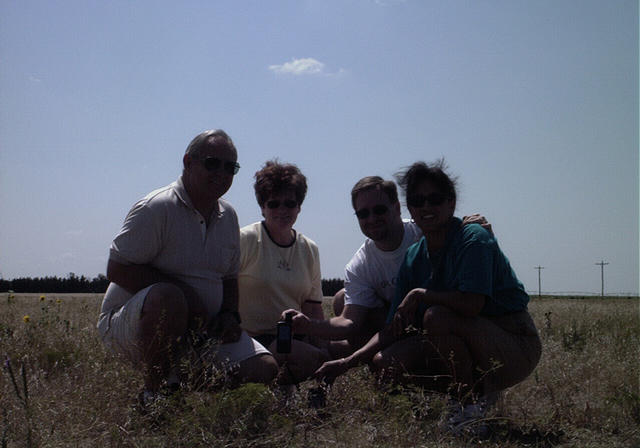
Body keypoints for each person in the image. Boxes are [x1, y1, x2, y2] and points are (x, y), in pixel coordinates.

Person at [315, 160, 541, 434]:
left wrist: (422, 294)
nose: (426, 207)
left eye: (434, 199)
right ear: (409, 207)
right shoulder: (414, 255)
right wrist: (347, 362)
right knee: (384, 362)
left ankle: (469, 407)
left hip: (513, 343)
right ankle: (468, 393)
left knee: (436, 316)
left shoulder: (473, 237)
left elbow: (472, 305)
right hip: (464, 339)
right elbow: (391, 329)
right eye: (418, 201)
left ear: (451, 203)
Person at [97, 130, 278, 402]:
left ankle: (183, 385)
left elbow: (229, 277)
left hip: (203, 330)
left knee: (265, 369)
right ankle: (153, 395)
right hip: (130, 325)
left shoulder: (228, 216)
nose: (221, 172)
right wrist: (186, 297)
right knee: (169, 298)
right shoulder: (156, 208)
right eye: (212, 163)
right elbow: (117, 269)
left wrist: (229, 315)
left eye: (230, 167)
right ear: (188, 162)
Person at [283, 176, 489, 358]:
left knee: (435, 317)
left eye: (379, 210)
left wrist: (472, 224)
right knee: (341, 300)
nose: (371, 219)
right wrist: (307, 325)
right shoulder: (360, 264)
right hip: (401, 326)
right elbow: (349, 322)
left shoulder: (424, 232)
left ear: (397, 208)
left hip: (444, 319)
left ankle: (472, 383)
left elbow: (459, 237)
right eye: (363, 214)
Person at [238, 160, 328, 383]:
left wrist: (326, 351)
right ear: (262, 206)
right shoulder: (246, 239)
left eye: (290, 203)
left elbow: (313, 307)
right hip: (251, 339)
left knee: (337, 349)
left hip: (293, 336)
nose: (282, 210)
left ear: (299, 206)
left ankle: (283, 389)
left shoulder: (309, 249)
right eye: (273, 203)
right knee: (309, 357)